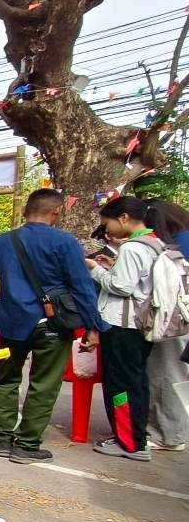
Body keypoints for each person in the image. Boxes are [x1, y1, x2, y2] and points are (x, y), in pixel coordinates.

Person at [0, 188, 107, 464]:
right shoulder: (65, 243)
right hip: (53, 324)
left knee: (6, 380)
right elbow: (82, 288)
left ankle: (1, 438)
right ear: (56, 212)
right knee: (44, 384)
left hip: (11, 321)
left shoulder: (3, 241)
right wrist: (93, 326)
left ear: (25, 211)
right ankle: (27, 444)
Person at [88, 196, 161, 462]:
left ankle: (129, 442)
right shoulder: (155, 243)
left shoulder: (132, 249)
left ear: (124, 219)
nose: (107, 229)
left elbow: (121, 287)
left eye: (108, 222)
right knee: (137, 382)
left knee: (120, 385)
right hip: (142, 324)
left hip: (123, 325)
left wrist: (96, 269)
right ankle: (136, 436)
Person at [139, 198, 189, 452]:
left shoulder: (178, 244)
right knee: (173, 374)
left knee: (167, 374)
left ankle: (168, 435)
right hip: (180, 318)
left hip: (175, 319)